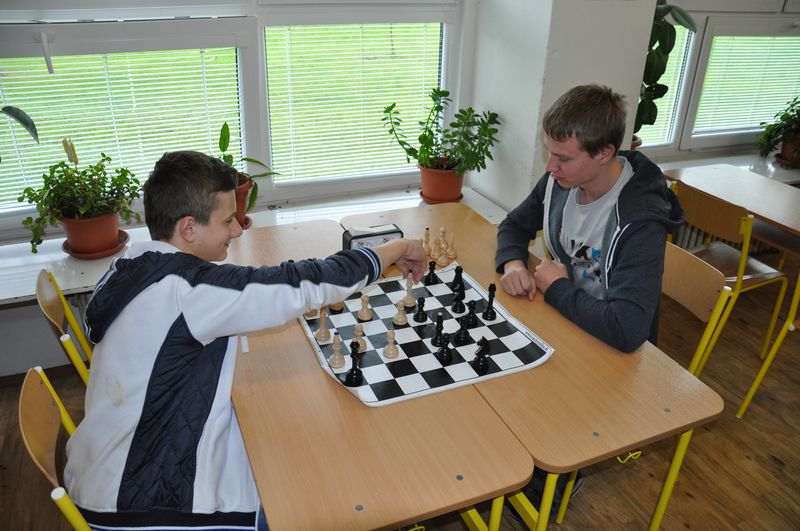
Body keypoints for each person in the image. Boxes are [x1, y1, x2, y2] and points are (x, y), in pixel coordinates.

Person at [64, 150, 426, 530]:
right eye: (227, 220)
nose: (238, 229)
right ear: (188, 229)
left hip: (104, 469)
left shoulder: (131, 264)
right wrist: (398, 248)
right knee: (315, 499)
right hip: (143, 503)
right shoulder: (191, 291)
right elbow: (307, 283)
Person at [496, 84, 683, 354]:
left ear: (604, 154)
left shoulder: (641, 222)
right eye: (550, 152)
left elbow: (627, 329)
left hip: (613, 349)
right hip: (569, 323)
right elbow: (514, 225)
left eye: (563, 158)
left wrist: (557, 288)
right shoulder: (559, 182)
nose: (550, 167)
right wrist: (513, 264)